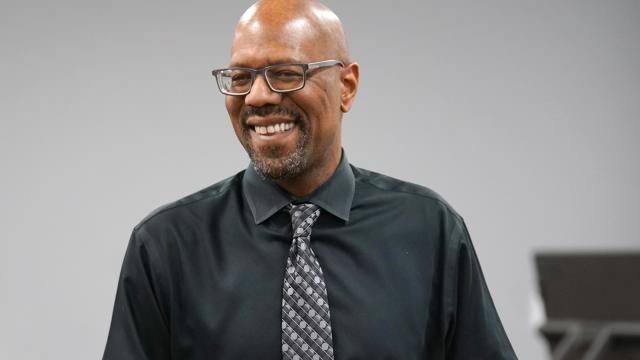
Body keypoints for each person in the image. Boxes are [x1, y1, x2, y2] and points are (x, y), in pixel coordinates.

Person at [102, 0, 518, 359]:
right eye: (240, 78)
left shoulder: (431, 231)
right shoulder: (165, 245)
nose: (258, 97)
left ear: (347, 87)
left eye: (285, 73)